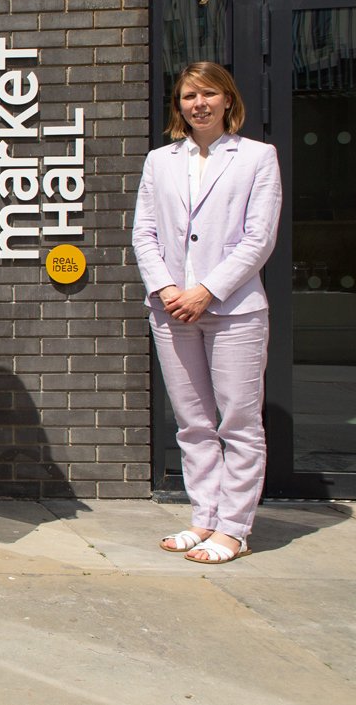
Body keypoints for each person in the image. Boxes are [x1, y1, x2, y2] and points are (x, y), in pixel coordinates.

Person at [132, 61, 282, 564]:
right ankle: (204, 516)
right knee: (192, 422)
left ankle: (234, 528)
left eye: (208, 94)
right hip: (171, 309)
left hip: (234, 309)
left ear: (227, 100)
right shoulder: (160, 161)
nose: (198, 104)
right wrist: (169, 288)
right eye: (189, 96)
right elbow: (144, 233)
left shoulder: (257, 158)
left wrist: (206, 291)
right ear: (178, 105)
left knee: (238, 421)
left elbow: (258, 240)